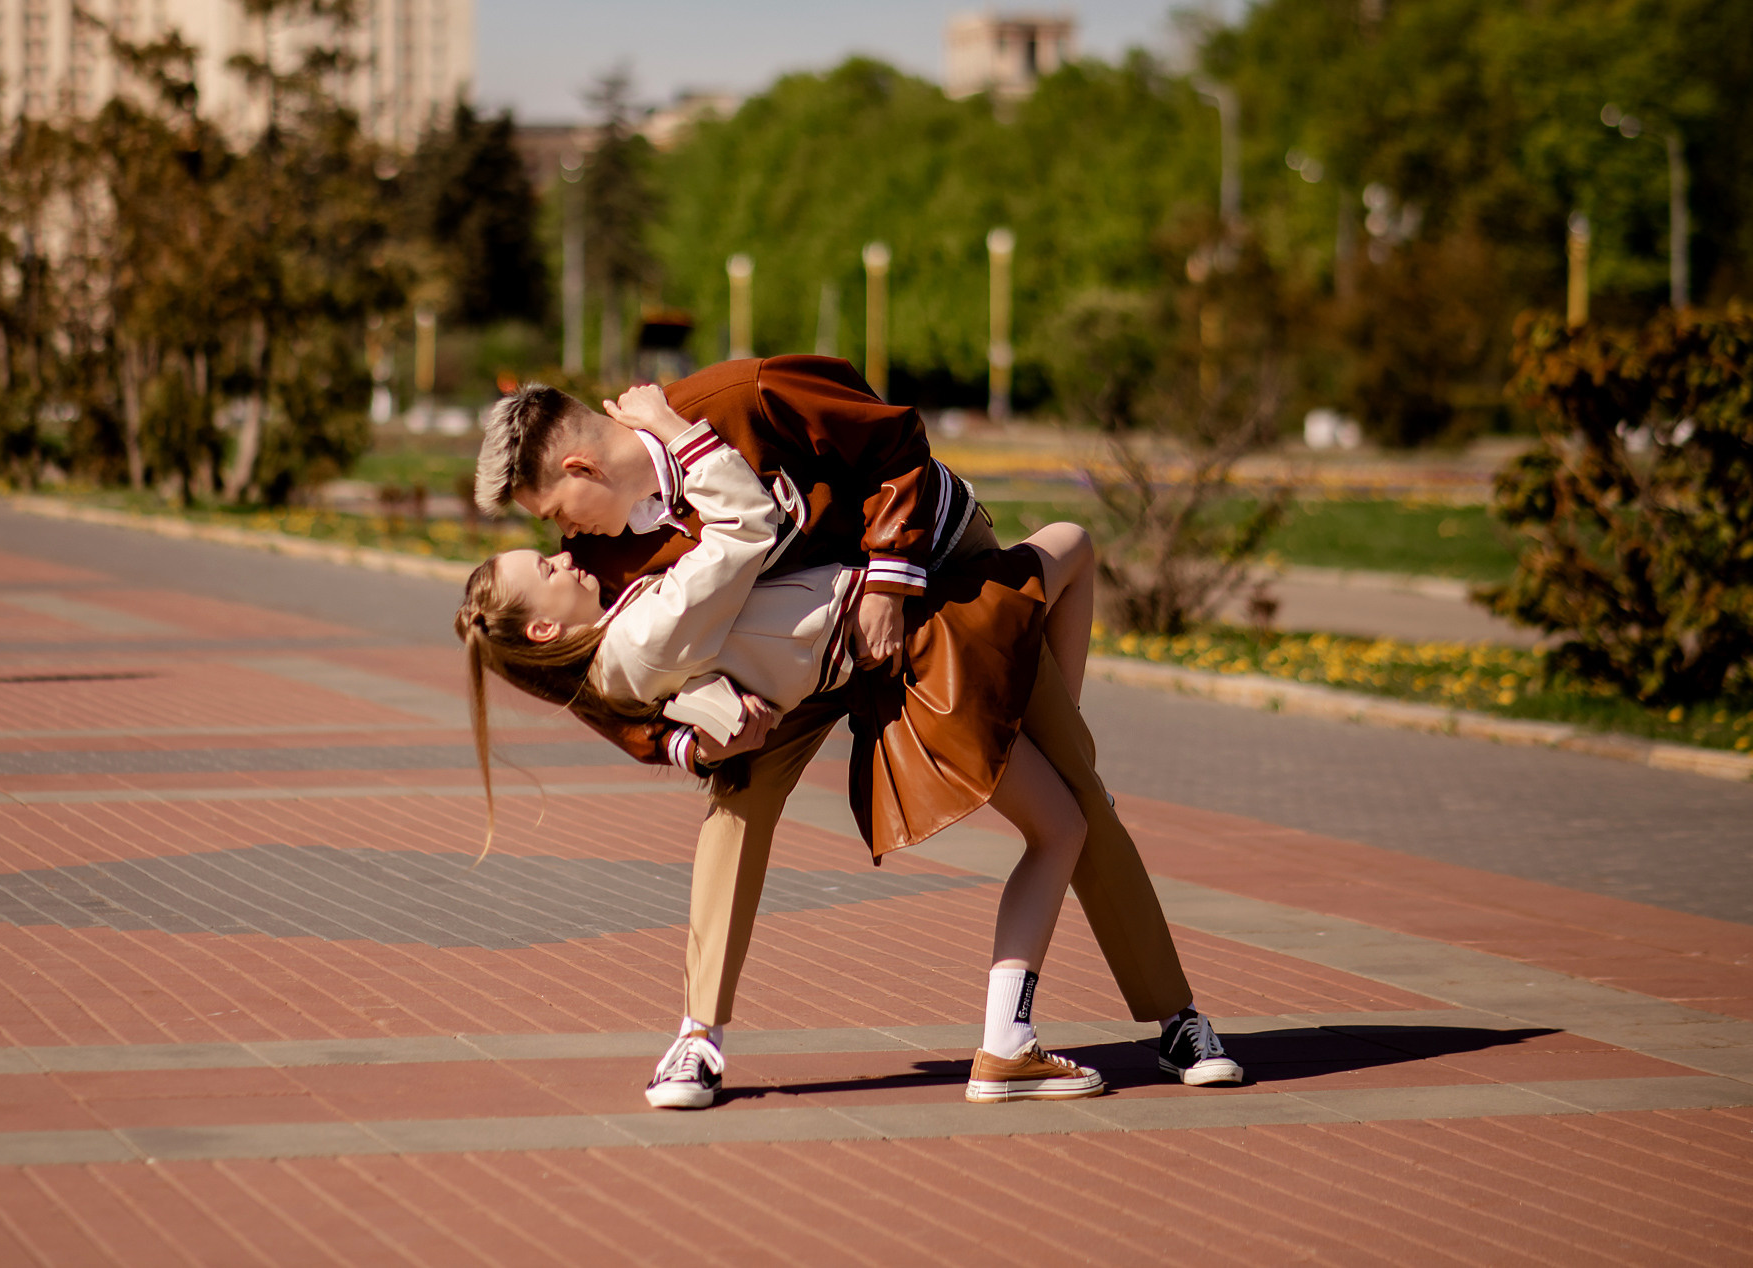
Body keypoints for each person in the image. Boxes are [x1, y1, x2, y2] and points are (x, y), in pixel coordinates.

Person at [462, 379, 1243, 1107]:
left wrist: (890, 581)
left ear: (580, 466)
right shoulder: (593, 554)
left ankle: (1174, 1017)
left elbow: (893, 441)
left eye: (552, 511)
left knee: (1076, 795)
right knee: (736, 800)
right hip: (796, 669)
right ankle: (697, 1039)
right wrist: (688, 746)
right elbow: (587, 678)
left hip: (918, 598)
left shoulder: (742, 397)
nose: (561, 536)